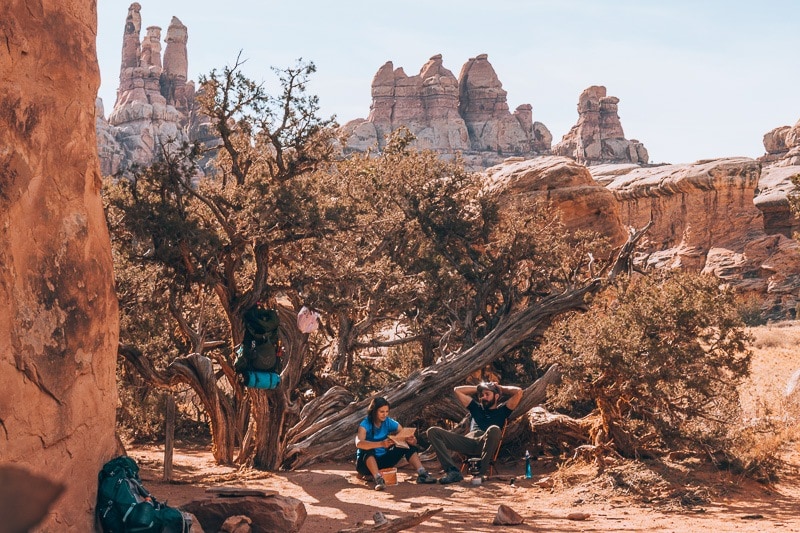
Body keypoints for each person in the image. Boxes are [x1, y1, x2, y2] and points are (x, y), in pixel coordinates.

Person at [426, 381, 523, 484]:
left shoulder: (503, 410)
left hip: (485, 443)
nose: (483, 397)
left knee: (494, 429)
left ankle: (481, 473)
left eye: (487, 394)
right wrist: (479, 387)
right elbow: (457, 390)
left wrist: (499, 387)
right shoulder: (475, 408)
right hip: (467, 442)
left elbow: (519, 392)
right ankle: (452, 472)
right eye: (481, 395)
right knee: (433, 431)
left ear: (496, 396)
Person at [355, 397, 437, 490]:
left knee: (407, 445)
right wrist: (381, 444)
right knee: (368, 450)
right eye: (381, 412)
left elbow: (403, 433)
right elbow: (359, 443)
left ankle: (422, 474)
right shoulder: (365, 424)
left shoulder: (388, 422)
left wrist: (412, 440)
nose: (385, 414)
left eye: (387, 411)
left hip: (383, 461)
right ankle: (378, 479)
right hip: (364, 464)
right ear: (374, 411)